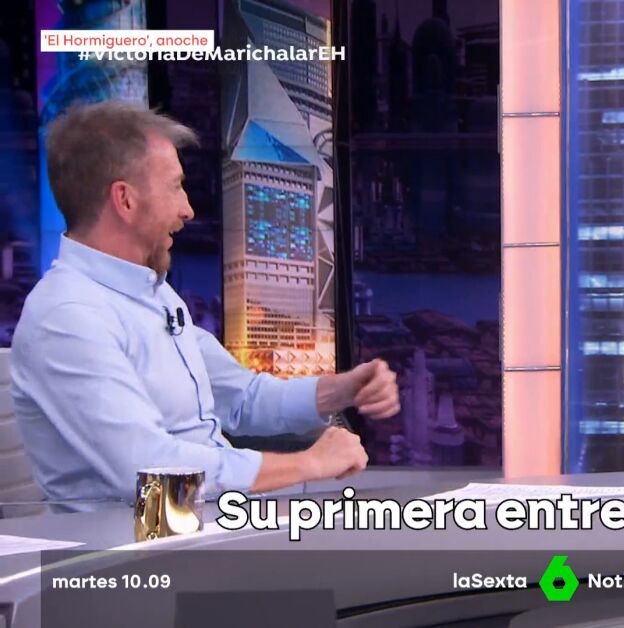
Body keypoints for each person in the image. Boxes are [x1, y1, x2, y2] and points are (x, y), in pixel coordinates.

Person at [11, 101, 399, 502]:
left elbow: (243, 399)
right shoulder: (66, 318)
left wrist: (342, 389)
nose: (188, 210)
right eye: (175, 186)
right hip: (139, 535)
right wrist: (310, 464)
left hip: (207, 521)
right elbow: (149, 473)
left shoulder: (153, 294)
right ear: (125, 200)